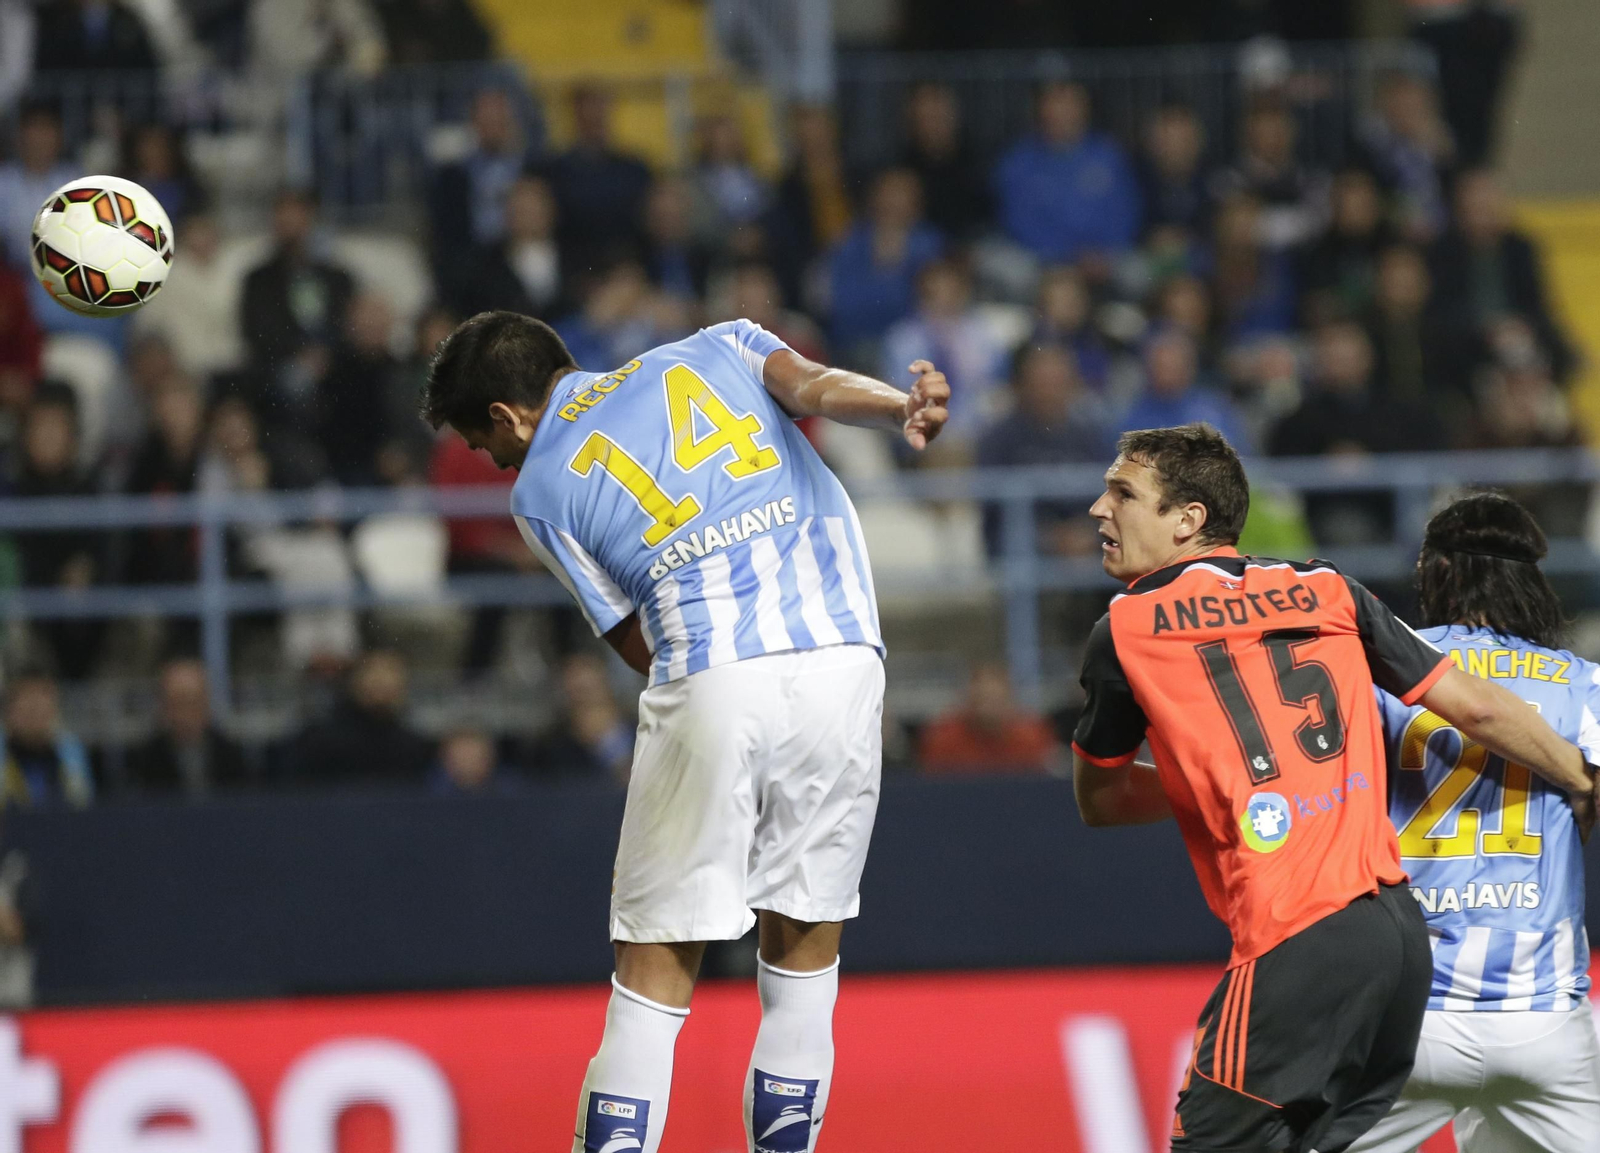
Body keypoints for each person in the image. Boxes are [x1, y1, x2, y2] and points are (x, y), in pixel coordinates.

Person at [420, 308, 949, 1153]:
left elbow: (637, 642)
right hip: (842, 661)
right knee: (804, 964)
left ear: (507, 416)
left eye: (490, 447)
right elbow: (815, 388)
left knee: (652, 983)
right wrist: (898, 408)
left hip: (711, 672)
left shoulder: (538, 494)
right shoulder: (720, 343)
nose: (501, 462)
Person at [1069, 423, 1595, 1153]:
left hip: (1298, 934)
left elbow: (1100, 799)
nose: (1099, 508)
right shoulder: (1327, 588)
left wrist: (1218, 779)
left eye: (1121, 491)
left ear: (1189, 519)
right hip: (1398, 937)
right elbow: (1474, 707)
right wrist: (1580, 777)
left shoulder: (1124, 627)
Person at [1346, 492, 1600, 1153]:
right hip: (1543, 1020)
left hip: (1410, 1020)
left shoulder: (1377, 676)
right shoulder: (1584, 684)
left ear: (1434, 572)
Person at [125, 657, 250, 798]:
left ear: (206, 703)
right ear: (164, 706)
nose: (186, 714)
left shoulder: (232, 757)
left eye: (193, 702)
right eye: (178, 703)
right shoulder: (143, 762)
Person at [918, 661, 1061, 775]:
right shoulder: (943, 738)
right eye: (982, 699)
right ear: (969, 699)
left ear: (1009, 700)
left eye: (996, 699)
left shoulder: (1033, 736)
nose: (988, 708)